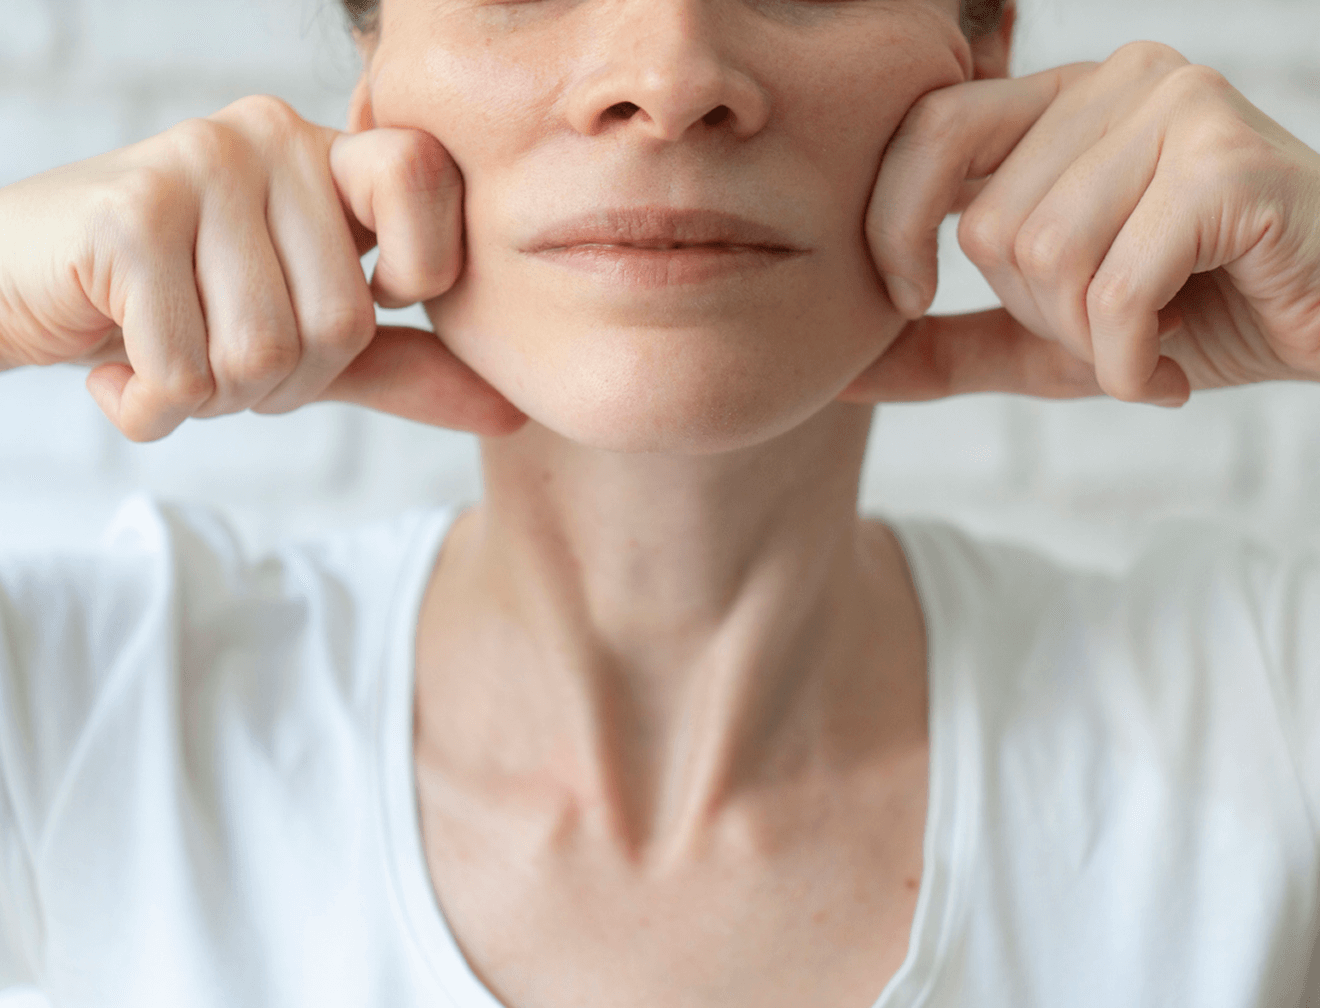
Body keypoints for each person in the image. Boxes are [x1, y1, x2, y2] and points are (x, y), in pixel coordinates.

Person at [0, 0, 1316, 1004]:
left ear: (986, 58)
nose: (672, 74)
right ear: (374, 68)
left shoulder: (1262, 717)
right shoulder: (71, 718)